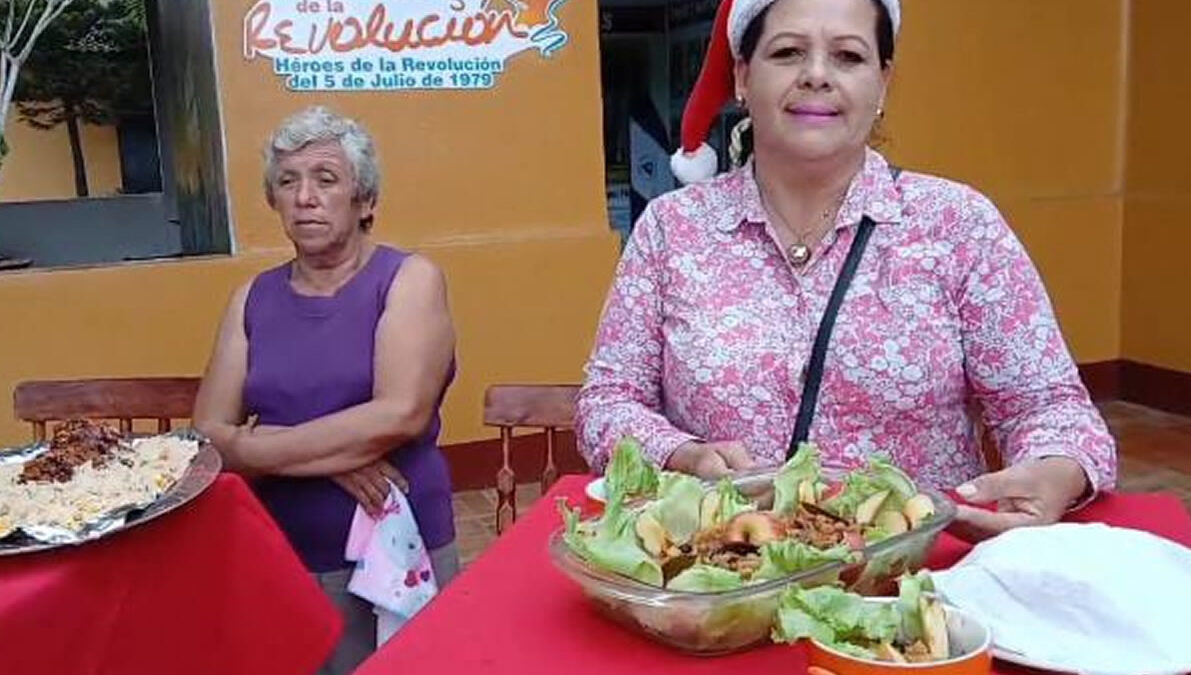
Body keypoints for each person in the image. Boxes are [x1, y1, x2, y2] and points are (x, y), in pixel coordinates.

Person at [575, 0, 1116, 543]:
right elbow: (607, 402)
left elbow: (1048, 405)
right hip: (726, 575)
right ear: (742, 75)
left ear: (882, 83)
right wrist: (682, 454)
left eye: (848, 56)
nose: (816, 75)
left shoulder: (957, 225)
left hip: (914, 584)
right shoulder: (673, 230)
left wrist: (1058, 466)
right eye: (787, 52)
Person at [193, 105, 458, 674]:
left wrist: (260, 447)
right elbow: (207, 438)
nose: (304, 197)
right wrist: (328, 458)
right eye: (287, 182)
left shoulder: (409, 280)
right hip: (280, 552)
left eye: (326, 179)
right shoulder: (251, 299)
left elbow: (399, 415)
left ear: (365, 201)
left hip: (395, 546)